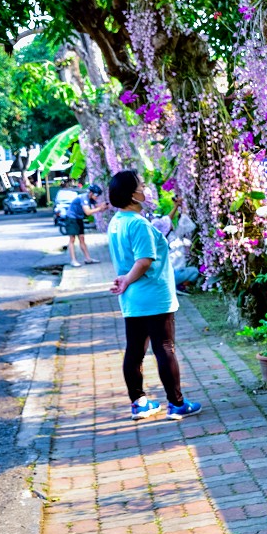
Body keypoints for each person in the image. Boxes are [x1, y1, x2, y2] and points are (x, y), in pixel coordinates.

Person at [107, 169, 202, 421]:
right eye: (141, 185)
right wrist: (127, 278)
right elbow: (144, 261)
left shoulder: (117, 222)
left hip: (132, 298)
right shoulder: (137, 224)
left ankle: (139, 404)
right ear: (131, 194)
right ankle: (177, 404)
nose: (145, 188)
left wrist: (125, 280)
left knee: (135, 351)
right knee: (165, 348)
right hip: (153, 296)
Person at [151, 196, 200, 291]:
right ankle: (179, 286)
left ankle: (173, 285)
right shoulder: (175, 239)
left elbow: (166, 221)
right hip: (175, 274)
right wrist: (184, 209)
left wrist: (176, 206)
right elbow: (184, 223)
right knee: (195, 271)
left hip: (164, 275)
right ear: (168, 228)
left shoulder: (160, 241)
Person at [65, 184, 108, 267]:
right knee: (72, 239)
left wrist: (104, 206)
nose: (97, 197)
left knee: (82, 238)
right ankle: (73, 260)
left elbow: (98, 208)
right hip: (71, 218)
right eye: (96, 195)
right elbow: (88, 212)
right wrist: (99, 208)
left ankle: (88, 258)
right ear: (91, 193)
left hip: (78, 218)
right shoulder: (84, 198)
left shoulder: (91, 199)